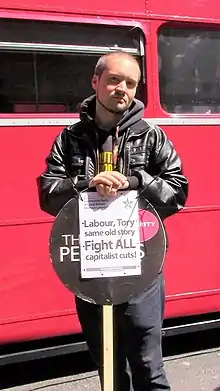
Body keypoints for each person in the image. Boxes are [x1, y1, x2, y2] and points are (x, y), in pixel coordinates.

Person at [37, 51, 188, 391]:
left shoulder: (152, 137)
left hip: (141, 269)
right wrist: (84, 185)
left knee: (149, 367)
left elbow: (178, 191)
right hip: (90, 269)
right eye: (114, 80)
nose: (122, 89)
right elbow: (47, 194)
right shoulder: (69, 139)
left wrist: (135, 180)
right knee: (109, 367)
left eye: (131, 83)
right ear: (96, 82)